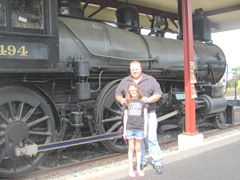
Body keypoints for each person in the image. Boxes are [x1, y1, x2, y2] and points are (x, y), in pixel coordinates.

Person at [115, 60, 164, 174]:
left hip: (149, 114)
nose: (135, 71)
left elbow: (158, 94)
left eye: (137, 69)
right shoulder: (125, 81)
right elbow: (117, 93)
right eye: (133, 69)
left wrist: (149, 99)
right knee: (138, 141)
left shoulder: (150, 80)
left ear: (141, 69)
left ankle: (158, 162)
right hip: (133, 117)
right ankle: (141, 161)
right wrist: (121, 99)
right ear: (130, 70)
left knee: (151, 138)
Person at [122, 82, 148, 177]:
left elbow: (145, 116)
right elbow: (125, 116)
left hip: (139, 128)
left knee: (138, 148)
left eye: (134, 90)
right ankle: (130, 169)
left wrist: (145, 130)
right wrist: (124, 130)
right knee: (131, 148)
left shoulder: (142, 102)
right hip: (130, 128)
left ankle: (138, 168)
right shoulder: (127, 102)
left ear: (137, 90)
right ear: (129, 92)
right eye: (131, 90)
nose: (133, 92)